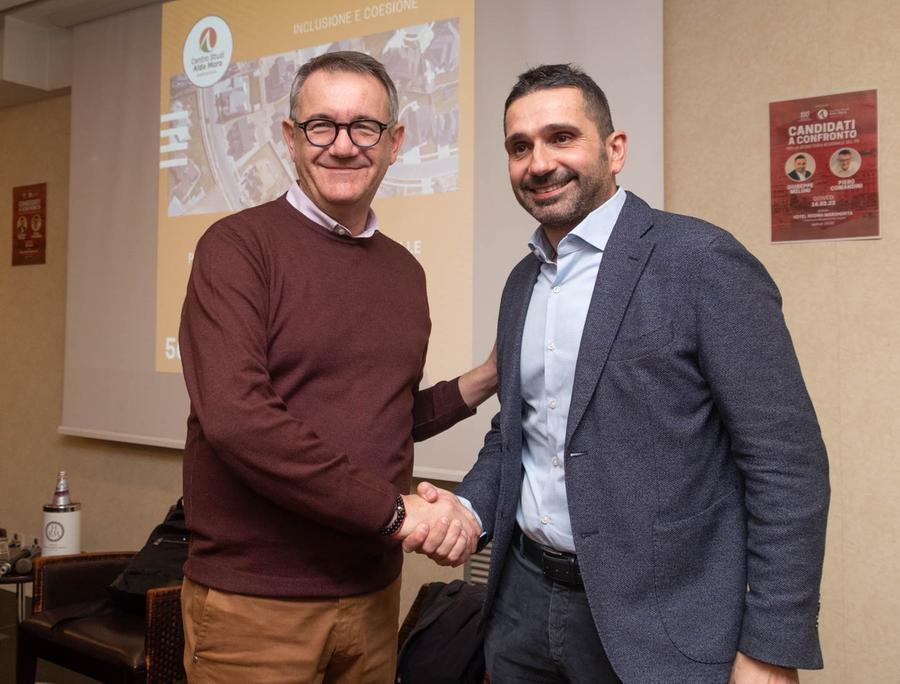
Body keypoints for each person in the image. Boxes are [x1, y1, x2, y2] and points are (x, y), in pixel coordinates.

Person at [408, 64, 829, 683]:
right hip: (521, 603)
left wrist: (770, 647)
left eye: (561, 138)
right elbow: (519, 430)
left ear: (615, 148)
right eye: (519, 147)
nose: (539, 163)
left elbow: (785, 463)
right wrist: (469, 509)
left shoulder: (700, 261)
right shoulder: (522, 282)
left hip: (663, 619)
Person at [178, 51, 490, 683]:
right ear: (291, 137)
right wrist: (400, 513)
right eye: (322, 125)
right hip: (258, 604)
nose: (343, 146)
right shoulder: (237, 248)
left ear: (395, 142)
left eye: (364, 128)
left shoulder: (405, 271)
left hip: (373, 595)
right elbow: (239, 420)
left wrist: (485, 379)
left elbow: (381, 413)